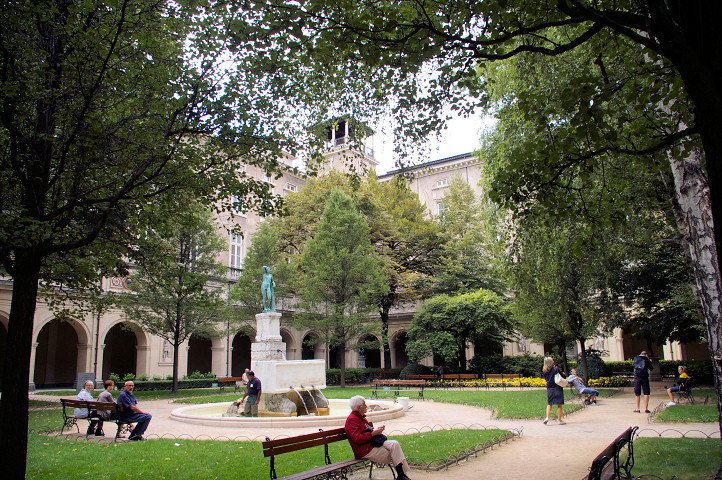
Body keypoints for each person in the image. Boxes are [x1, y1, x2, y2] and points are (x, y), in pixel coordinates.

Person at [345, 395, 412, 480]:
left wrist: (377, 430)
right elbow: (357, 439)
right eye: (364, 404)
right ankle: (402, 475)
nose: (366, 406)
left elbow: (367, 431)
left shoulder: (361, 417)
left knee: (395, 444)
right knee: (395, 454)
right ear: (359, 407)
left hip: (371, 444)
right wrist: (372, 434)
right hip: (364, 450)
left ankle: (402, 475)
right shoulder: (353, 420)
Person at [542, 356, 565, 425]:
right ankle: (559, 420)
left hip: (549, 388)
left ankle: (547, 417)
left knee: (550, 404)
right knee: (559, 404)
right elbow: (563, 377)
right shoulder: (556, 369)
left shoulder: (544, 371)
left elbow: (546, 379)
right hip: (557, 387)